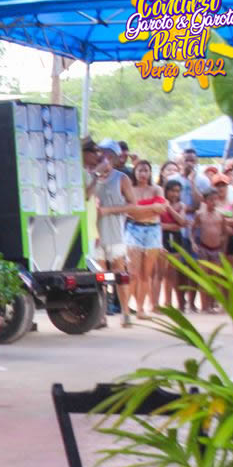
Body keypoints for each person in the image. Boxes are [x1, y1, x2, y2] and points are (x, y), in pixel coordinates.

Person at [86, 140, 136, 327]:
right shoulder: (91, 176)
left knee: (119, 272)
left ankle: (125, 312)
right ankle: (101, 315)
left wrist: (109, 210)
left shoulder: (121, 178)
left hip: (115, 232)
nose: (104, 157)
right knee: (99, 276)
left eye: (109, 154)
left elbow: (132, 204)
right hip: (95, 233)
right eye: (101, 152)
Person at [125, 160, 168, 319]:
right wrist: (151, 208)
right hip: (133, 229)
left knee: (146, 273)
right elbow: (130, 211)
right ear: (135, 172)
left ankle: (140, 309)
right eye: (140, 170)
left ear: (150, 173)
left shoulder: (157, 189)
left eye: (146, 170)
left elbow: (161, 209)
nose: (143, 174)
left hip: (153, 230)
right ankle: (126, 310)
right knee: (133, 273)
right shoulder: (130, 190)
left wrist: (139, 209)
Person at [158, 179, 187, 311]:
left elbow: (182, 221)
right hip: (162, 238)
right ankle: (162, 302)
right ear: (166, 191)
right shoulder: (159, 204)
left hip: (176, 239)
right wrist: (172, 226)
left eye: (177, 191)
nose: (175, 194)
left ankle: (170, 303)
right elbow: (157, 224)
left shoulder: (181, 205)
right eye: (172, 191)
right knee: (161, 272)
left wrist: (169, 208)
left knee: (172, 272)